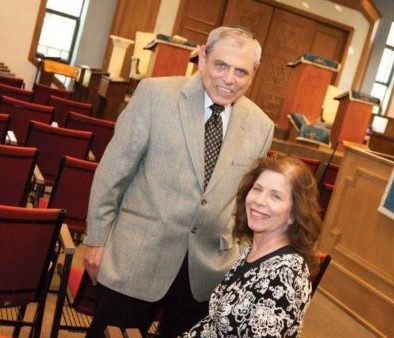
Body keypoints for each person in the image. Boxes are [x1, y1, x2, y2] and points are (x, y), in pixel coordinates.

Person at [82, 26, 274, 337]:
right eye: (221, 65)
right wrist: (97, 239)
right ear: (202, 57)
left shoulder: (262, 127)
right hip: (136, 257)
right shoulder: (155, 95)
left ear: (253, 75)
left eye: (241, 71)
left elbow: (245, 203)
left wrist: (234, 254)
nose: (229, 79)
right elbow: (113, 172)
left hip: (204, 273)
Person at [181, 156, 322, 337]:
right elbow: (215, 325)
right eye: (258, 189)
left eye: (276, 196)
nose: (259, 201)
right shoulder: (252, 251)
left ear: (294, 214)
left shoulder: (287, 274)